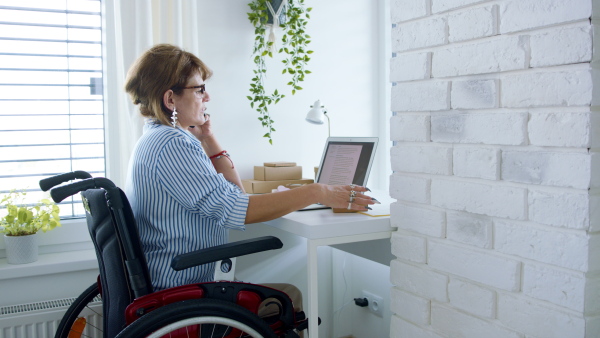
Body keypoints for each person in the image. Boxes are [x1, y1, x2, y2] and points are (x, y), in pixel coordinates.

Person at [123, 44, 375, 313]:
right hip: (183, 290)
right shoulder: (172, 144)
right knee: (287, 300)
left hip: (174, 282)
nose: (206, 97)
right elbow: (237, 210)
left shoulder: (158, 138)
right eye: (199, 89)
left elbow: (236, 195)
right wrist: (317, 192)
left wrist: (208, 138)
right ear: (170, 99)